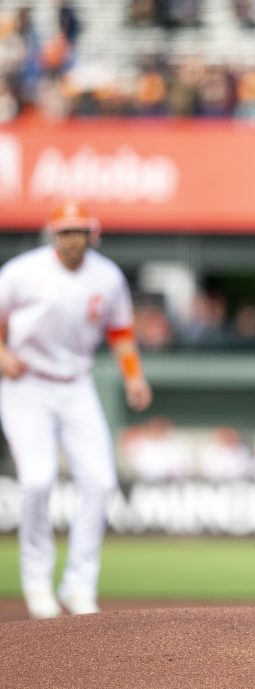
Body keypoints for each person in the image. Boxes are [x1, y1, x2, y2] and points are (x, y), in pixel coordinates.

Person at [0, 201, 153, 619]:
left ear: (92, 234)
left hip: (76, 384)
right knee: (37, 479)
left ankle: (79, 586)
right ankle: (36, 583)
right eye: (65, 231)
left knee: (101, 482)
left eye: (79, 231)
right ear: (53, 234)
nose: (72, 239)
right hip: (25, 383)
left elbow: (119, 330)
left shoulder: (106, 275)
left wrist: (133, 375)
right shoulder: (21, 271)